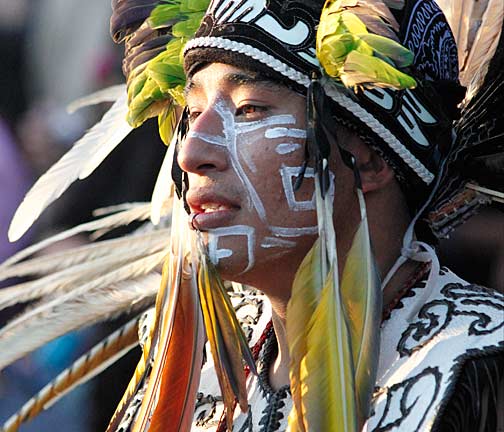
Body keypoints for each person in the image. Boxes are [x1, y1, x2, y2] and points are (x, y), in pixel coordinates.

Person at [1, 1, 502, 431]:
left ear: (368, 159)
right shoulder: (194, 368)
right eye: (192, 114)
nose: (191, 152)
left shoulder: (476, 368)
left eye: (249, 110)